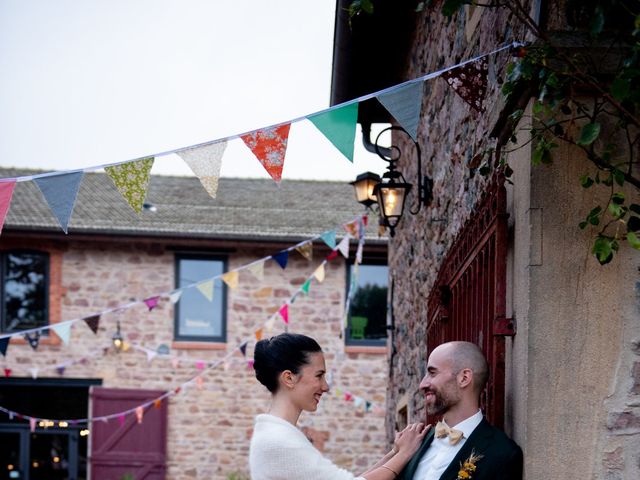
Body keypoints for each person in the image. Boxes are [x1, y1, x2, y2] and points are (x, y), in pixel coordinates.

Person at [250, 332, 430, 480]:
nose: (326, 386)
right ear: (289, 378)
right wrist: (405, 453)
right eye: (319, 375)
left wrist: (394, 453)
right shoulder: (280, 440)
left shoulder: (275, 434)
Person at [397, 341, 523, 480]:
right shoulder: (415, 441)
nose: (422, 384)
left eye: (432, 373)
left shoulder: (502, 453)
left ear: (464, 378)